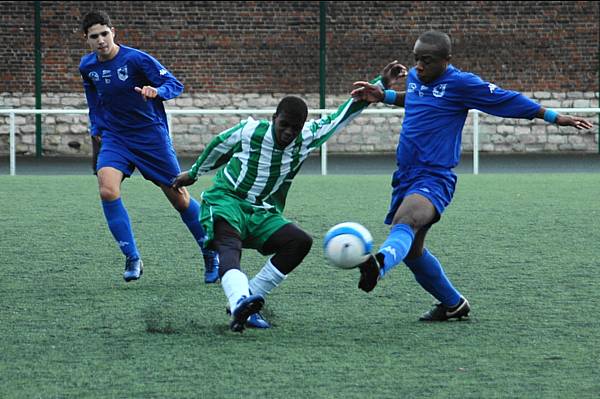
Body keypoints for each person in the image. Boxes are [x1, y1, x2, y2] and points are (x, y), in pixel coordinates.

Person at [351, 31, 593, 321]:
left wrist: (553, 116)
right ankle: (453, 305)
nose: (418, 67)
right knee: (414, 252)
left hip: (434, 176)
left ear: (446, 60)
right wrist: (385, 95)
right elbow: (416, 98)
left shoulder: (461, 84)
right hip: (405, 175)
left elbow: (507, 100)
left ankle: (379, 265)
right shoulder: (417, 78)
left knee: (407, 221)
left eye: (426, 61)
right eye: (416, 59)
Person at [172, 65, 404, 332]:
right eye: (284, 125)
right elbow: (218, 145)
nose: (288, 133)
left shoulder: (306, 138)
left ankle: (248, 299)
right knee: (229, 247)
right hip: (226, 199)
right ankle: (238, 302)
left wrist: (382, 83)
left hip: (261, 210)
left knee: (299, 242)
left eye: (295, 128)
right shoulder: (249, 131)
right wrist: (194, 172)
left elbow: (342, 115)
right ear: (273, 118)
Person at [79, 11, 219, 283]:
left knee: (179, 198)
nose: (101, 41)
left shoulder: (136, 59)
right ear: (86, 39)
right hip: (116, 137)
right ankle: (132, 257)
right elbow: (93, 99)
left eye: (104, 34)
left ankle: (210, 250)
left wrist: (157, 92)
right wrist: (96, 128)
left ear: (113, 31)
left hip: (149, 137)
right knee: (107, 189)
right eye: (94, 36)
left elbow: (173, 84)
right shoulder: (87, 66)